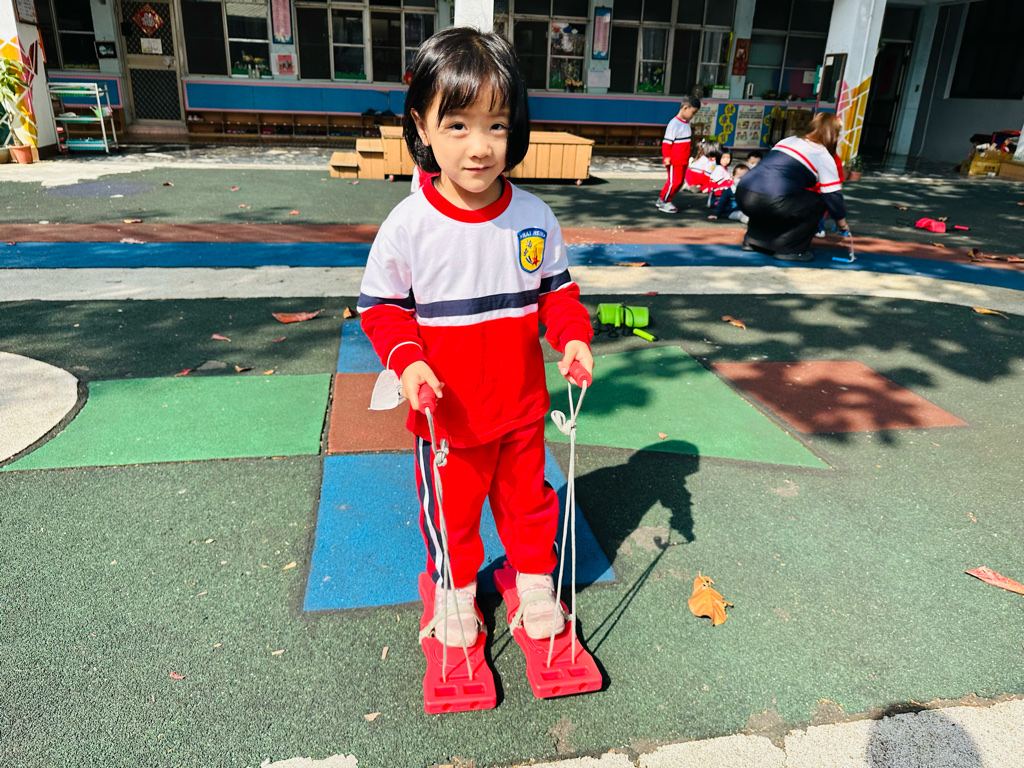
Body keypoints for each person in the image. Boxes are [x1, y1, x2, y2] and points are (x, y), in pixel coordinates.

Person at [358, 27, 595, 650]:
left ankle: (535, 579)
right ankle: (455, 588)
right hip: (448, 417)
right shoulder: (409, 225)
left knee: (530, 505)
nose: (480, 146)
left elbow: (557, 294)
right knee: (451, 513)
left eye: (497, 125)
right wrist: (407, 362)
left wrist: (572, 337)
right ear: (422, 124)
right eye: (457, 125)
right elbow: (381, 309)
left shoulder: (534, 217)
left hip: (520, 407)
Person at [735, 113, 851, 261]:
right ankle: (790, 249)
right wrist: (841, 222)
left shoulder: (789, 140)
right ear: (833, 135)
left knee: (776, 201)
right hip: (773, 199)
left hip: (744, 193)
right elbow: (832, 195)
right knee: (818, 202)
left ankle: (753, 241)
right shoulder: (822, 154)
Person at [657, 94, 701, 213]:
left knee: (680, 182)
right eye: (693, 112)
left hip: (683, 160)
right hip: (674, 160)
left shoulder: (685, 123)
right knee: (674, 182)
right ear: (685, 108)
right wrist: (667, 157)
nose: (693, 116)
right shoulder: (674, 124)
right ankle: (664, 201)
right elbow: (667, 143)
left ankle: (663, 198)